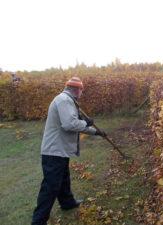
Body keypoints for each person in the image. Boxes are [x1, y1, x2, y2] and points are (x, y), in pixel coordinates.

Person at [32, 77, 106, 225]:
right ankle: (38, 221)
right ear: (77, 89)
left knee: (63, 179)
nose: (82, 93)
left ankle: (67, 203)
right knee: (51, 186)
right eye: (81, 90)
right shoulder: (64, 101)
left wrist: (95, 132)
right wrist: (86, 122)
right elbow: (70, 124)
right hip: (54, 151)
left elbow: (76, 123)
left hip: (60, 150)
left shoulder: (68, 101)